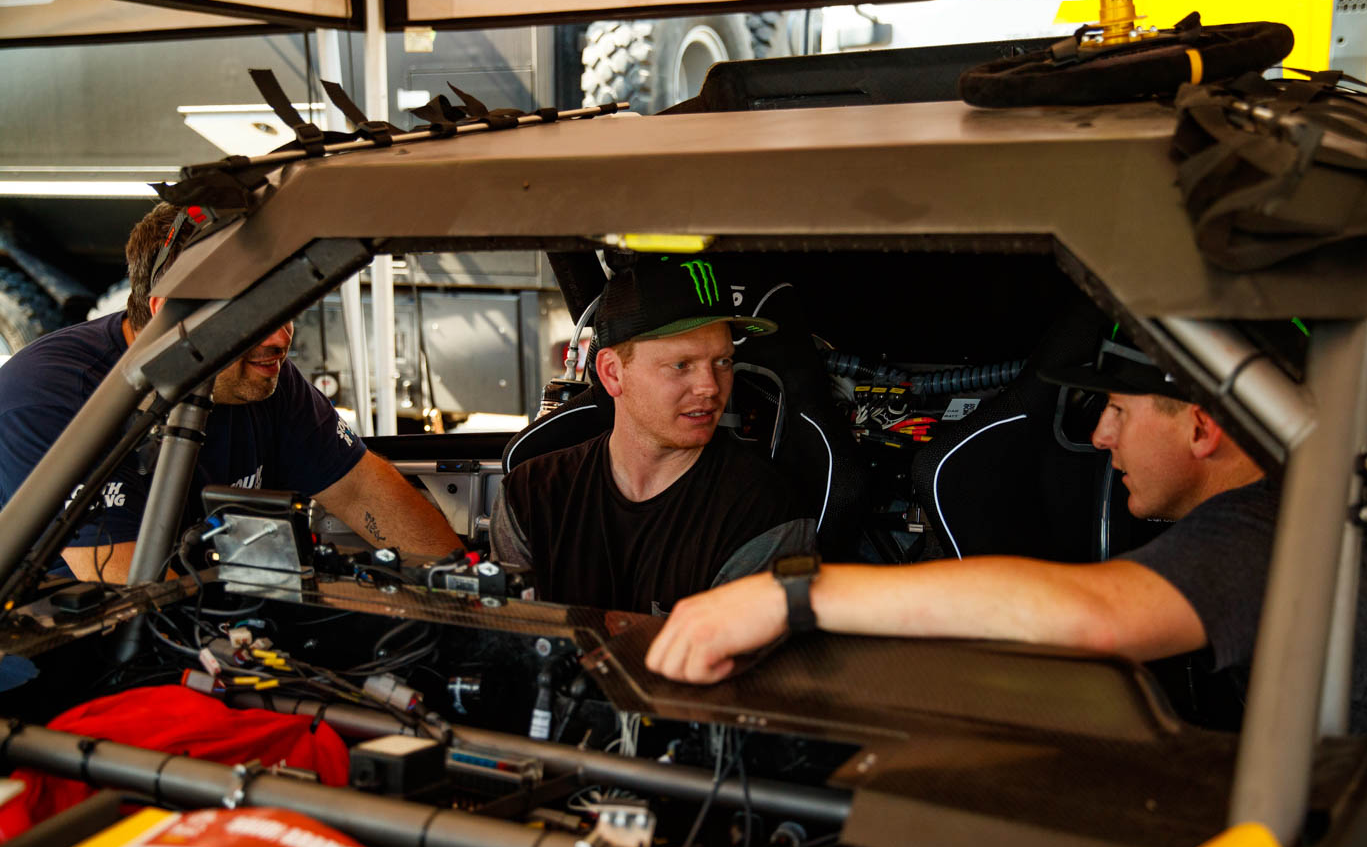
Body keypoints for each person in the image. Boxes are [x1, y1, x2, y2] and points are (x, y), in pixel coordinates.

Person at [646, 339, 1367, 847]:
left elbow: (1098, 614)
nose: (1100, 438)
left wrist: (792, 595)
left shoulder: (1266, 530)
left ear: (1202, 428)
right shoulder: (1302, 512)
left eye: (1118, 413)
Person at [0, 202, 464, 582]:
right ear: (172, 315)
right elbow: (132, 600)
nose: (282, 338)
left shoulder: (256, 375)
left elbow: (362, 488)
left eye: (286, 309)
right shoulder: (53, 401)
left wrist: (461, 586)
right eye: (254, 318)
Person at [491, 257, 816, 614]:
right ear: (613, 373)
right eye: (681, 365)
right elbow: (509, 638)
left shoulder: (763, 513)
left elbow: (728, 661)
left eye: (722, 362)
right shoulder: (530, 495)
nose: (711, 387)